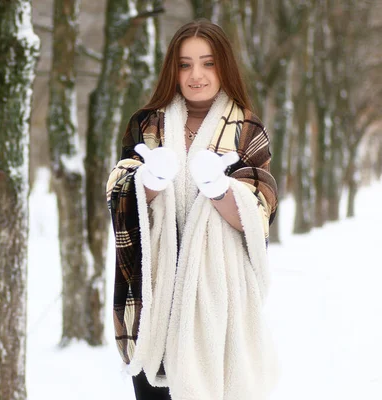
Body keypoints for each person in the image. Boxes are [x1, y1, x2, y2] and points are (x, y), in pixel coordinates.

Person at [106, 19, 278, 400]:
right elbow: (120, 198)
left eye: (208, 62)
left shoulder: (247, 129)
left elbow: (260, 212)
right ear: (172, 69)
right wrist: (147, 181)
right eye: (184, 64)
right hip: (153, 298)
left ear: (225, 67)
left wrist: (219, 189)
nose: (195, 75)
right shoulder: (146, 124)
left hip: (219, 302)